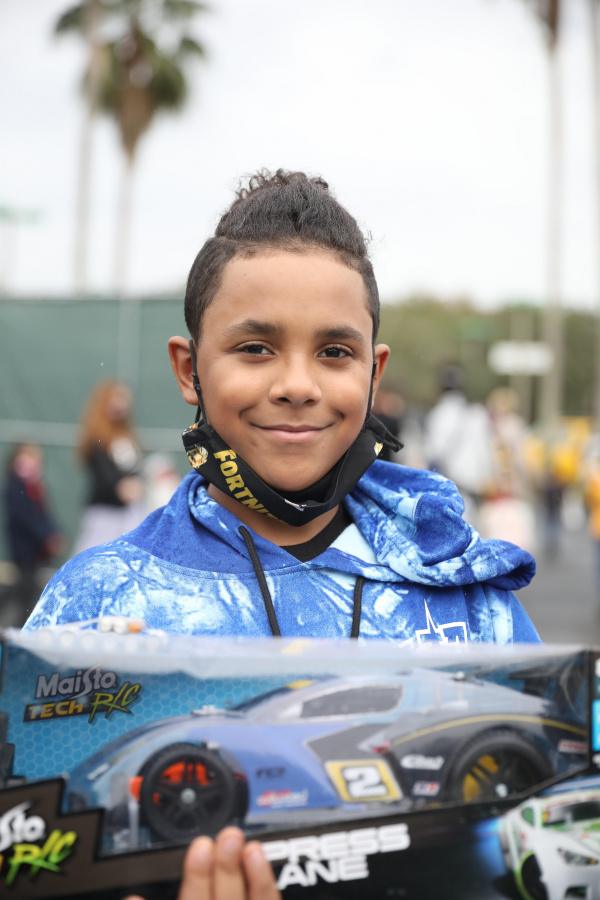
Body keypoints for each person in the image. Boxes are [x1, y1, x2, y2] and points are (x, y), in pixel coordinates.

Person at [23, 169, 539, 898]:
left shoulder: (466, 592)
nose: (298, 384)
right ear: (188, 369)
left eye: (334, 353)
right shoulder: (97, 602)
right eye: (255, 348)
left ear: (373, 372)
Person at [72, 380, 146, 555]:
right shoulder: (97, 436)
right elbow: (103, 472)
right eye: (116, 399)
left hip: (130, 511)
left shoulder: (127, 435)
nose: (121, 404)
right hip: (105, 511)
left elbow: (134, 469)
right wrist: (120, 487)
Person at [3, 443, 65, 626]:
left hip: (36, 551)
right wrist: (46, 536)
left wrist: (52, 535)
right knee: (24, 591)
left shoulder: (36, 488)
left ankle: (24, 624)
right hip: (24, 549)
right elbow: (28, 518)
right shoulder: (15, 487)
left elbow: (43, 516)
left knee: (27, 589)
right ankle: (22, 626)